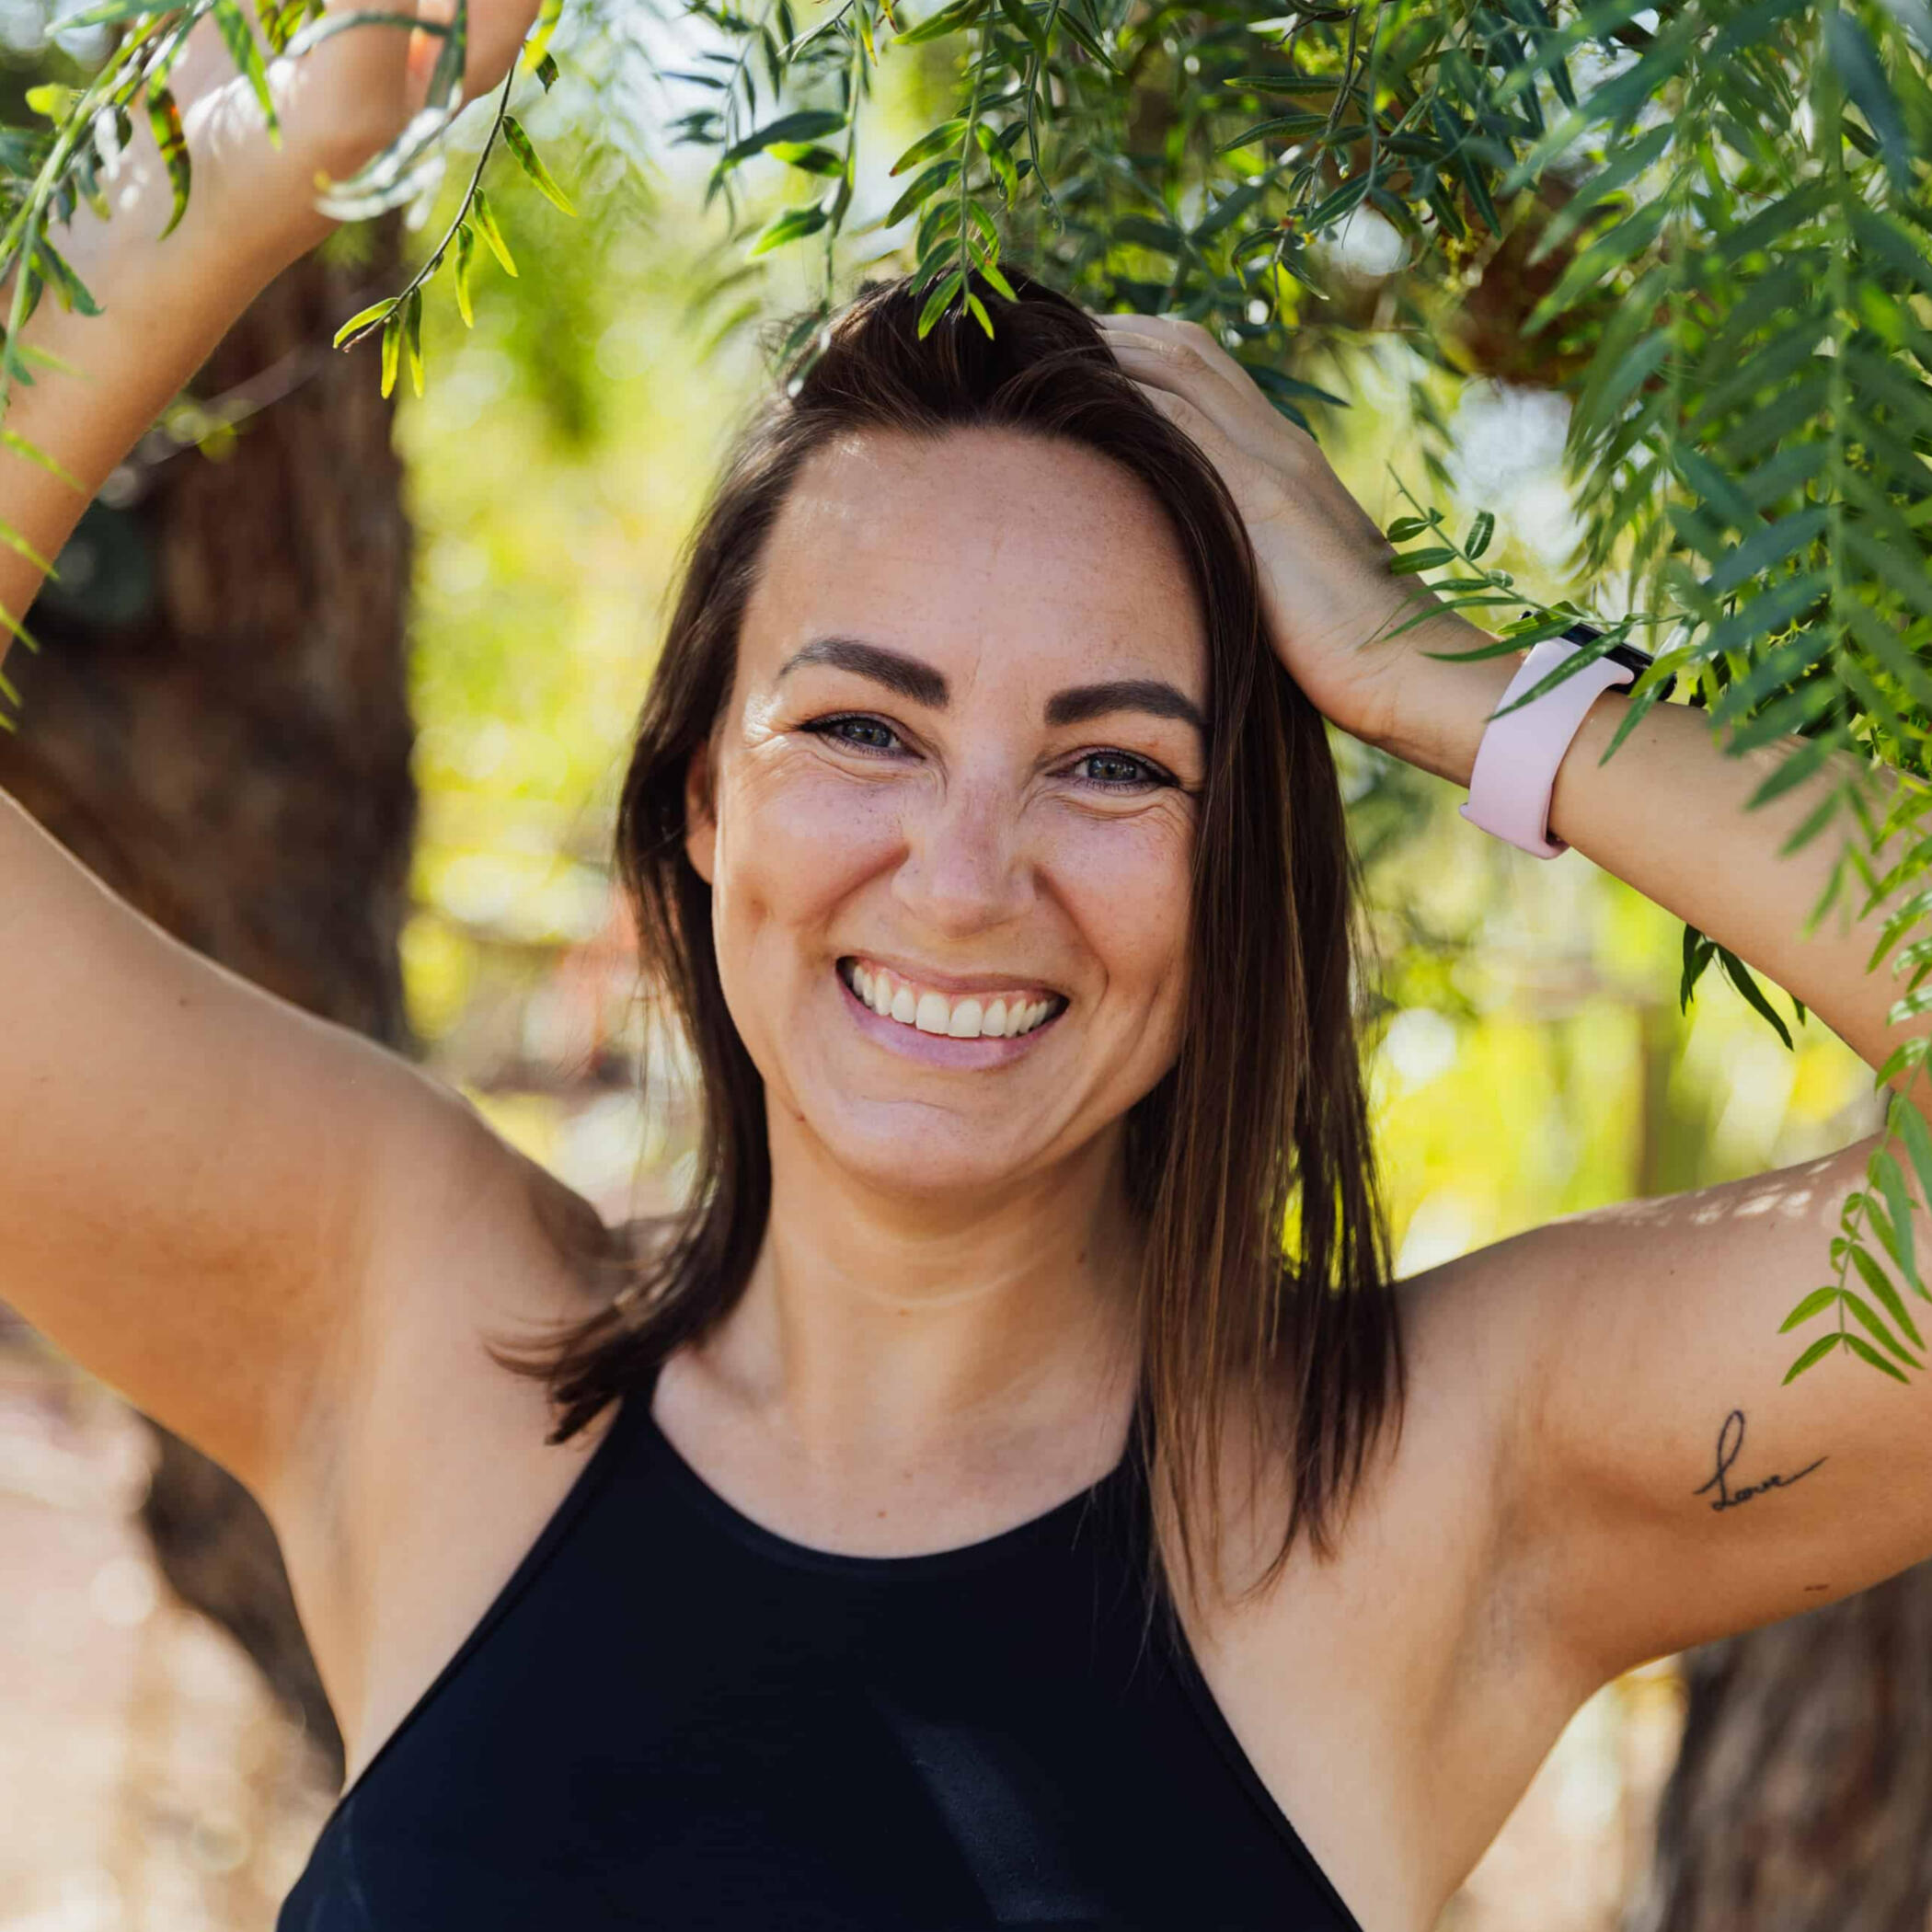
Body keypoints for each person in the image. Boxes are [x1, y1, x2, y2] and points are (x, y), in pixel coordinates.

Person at [4, 4, 1926, 1928]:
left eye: (1113, 765)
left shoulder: (1439, 1487)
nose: (966, 875)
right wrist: (279, 132)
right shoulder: (418, 1331)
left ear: (1234, 876)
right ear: (702, 800)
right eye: (864, 730)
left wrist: (1443, 676)